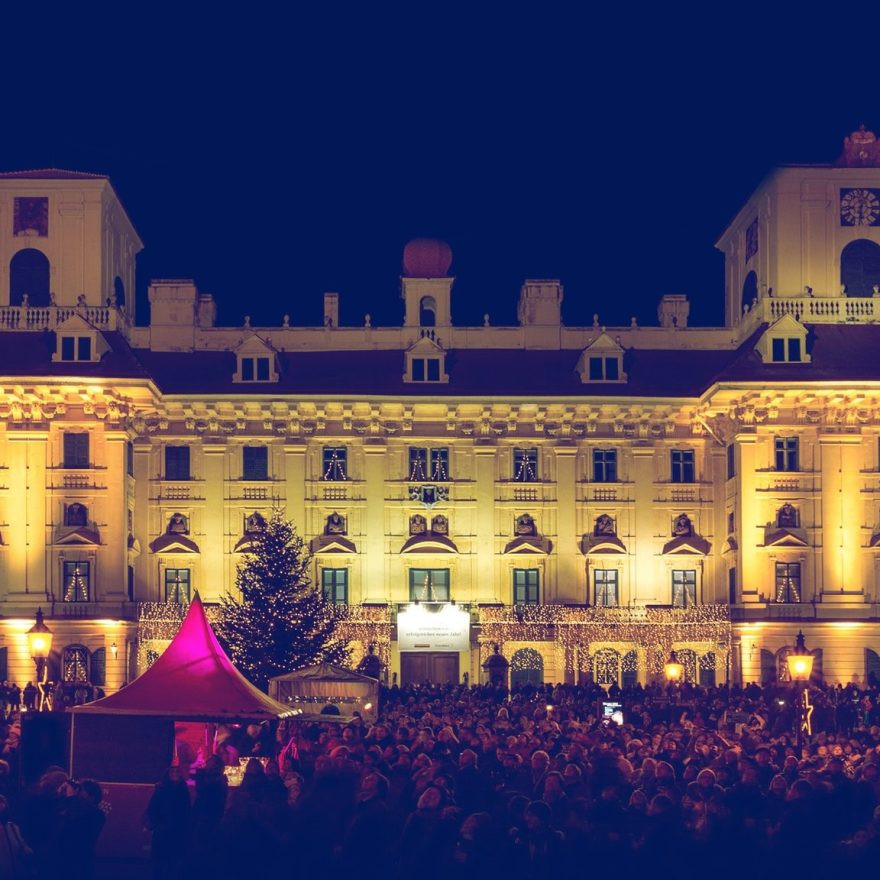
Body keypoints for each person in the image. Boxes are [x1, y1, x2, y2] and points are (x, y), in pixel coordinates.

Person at [144, 766, 191, 880]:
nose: (175, 773)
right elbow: (152, 808)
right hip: (162, 829)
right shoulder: (162, 788)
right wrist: (155, 823)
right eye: (172, 771)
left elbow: (186, 810)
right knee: (159, 862)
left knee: (172, 862)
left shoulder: (183, 790)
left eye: (177, 771)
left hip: (176, 831)